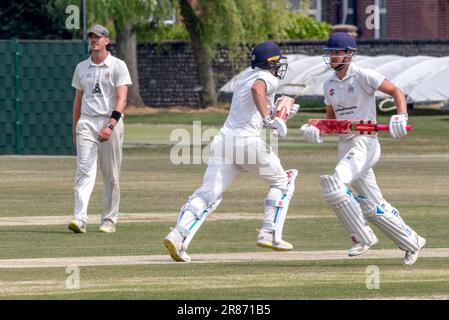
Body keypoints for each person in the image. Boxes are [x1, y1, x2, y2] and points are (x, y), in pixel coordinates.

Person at [164, 41, 300, 262]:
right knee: (283, 181)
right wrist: (269, 119)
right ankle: (269, 233)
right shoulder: (267, 78)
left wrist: (281, 115)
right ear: (271, 63)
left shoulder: (246, 78)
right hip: (246, 143)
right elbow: (259, 90)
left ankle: (178, 235)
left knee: (208, 194)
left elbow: (256, 107)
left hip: (223, 142)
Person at [300, 32, 426, 266]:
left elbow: (397, 92)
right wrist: (317, 130)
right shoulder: (329, 85)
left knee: (335, 184)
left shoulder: (364, 75)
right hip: (346, 145)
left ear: (349, 54)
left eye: (336, 52)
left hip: (365, 143)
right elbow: (334, 123)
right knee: (374, 206)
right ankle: (413, 241)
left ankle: (362, 237)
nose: (331, 56)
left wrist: (401, 115)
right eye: (329, 53)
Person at [68, 24, 132, 234]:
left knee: (110, 174)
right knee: (84, 171)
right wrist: (75, 128)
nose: (94, 40)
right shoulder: (81, 67)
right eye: (91, 37)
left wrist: (111, 125)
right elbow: (77, 101)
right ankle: (80, 218)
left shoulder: (118, 66)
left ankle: (109, 219)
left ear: (107, 40)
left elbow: (122, 99)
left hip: (110, 121)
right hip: (86, 122)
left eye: (98, 37)